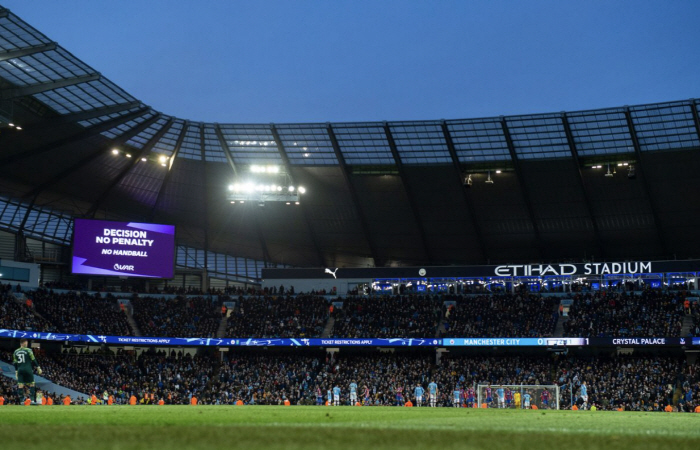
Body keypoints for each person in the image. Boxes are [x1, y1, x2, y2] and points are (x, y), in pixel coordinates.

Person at [13, 339, 42, 404]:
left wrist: (16, 371)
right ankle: (32, 400)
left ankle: (21, 401)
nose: (27, 344)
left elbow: (15, 362)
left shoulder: (16, 351)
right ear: (24, 343)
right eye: (27, 342)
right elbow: (33, 359)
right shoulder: (28, 350)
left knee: (20, 385)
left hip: (20, 370)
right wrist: (38, 367)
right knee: (32, 383)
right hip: (28, 369)